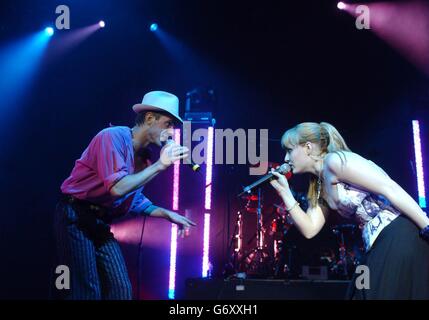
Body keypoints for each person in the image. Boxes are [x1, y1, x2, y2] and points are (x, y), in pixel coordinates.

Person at [54, 91, 196, 300]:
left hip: (99, 221)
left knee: (121, 289)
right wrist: (160, 165)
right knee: (87, 290)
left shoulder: (145, 159)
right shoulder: (112, 137)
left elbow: (133, 200)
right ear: (149, 118)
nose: (172, 132)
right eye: (168, 124)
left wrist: (167, 215)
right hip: (75, 214)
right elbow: (118, 188)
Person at [269, 122, 429, 299]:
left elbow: (389, 187)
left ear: (307, 147)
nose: (285, 158)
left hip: (398, 232)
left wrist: (426, 226)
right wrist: (285, 193)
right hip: (378, 241)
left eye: (289, 150)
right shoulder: (319, 184)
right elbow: (309, 229)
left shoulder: (335, 160)